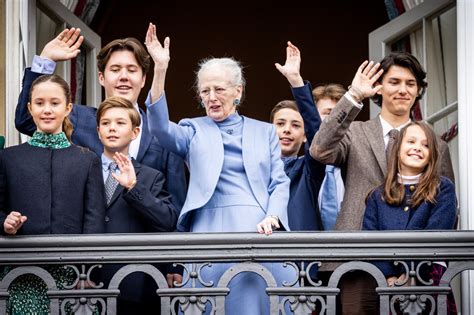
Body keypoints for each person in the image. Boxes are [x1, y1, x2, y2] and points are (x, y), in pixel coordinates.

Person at [144, 23, 292, 314]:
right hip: (208, 229)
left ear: (238, 91)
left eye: (219, 89)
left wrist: (273, 216)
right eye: (204, 91)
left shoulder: (265, 132)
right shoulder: (192, 129)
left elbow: (279, 182)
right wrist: (160, 68)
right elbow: (159, 129)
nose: (211, 97)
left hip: (259, 228)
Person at [310, 52, 455, 314]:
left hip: (415, 269)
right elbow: (319, 150)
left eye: (410, 83)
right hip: (357, 259)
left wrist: (426, 263)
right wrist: (353, 95)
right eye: (394, 82)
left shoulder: (436, 146)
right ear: (379, 87)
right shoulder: (355, 132)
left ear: (419, 90)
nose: (402, 89)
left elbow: (445, 208)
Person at [14, 26, 187, 211]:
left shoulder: (164, 136)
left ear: (143, 79)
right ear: (101, 78)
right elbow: (26, 120)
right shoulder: (78, 118)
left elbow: (175, 208)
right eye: (115, 69)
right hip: (85, 235)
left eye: (132, 70)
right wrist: (46, 60)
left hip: (141, 237)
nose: (124, 77)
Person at [0, 74, 105, 313]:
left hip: (73, 275)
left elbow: (94, 221)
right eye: (39, 103)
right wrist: (5, 223)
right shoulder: (8, 158)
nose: (47, 110)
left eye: (55, 103)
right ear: (29, 108)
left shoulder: (87, 159)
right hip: (20, 274)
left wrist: (86, 270)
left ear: (68, 108)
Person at [363, 121, 457, 314]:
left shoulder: (443, 188)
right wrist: (388, 276)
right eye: (411, 141)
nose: (417, 148)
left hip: (429, 279)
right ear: (397, 149)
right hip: (387, 286)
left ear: (432, 154)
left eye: (425, 145)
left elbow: (437, 234)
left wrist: (410, 274)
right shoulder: (377, 196)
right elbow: (370, 240)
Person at [95, 96, 178, 314]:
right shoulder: (84, 169)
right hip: (90, 281)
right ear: (98, 131)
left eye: (120, 123)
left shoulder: (151, 177)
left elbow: (167, 220)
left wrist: (133, 186)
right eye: (106, 123)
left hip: (135, 283)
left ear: (135, 133)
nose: (112, 128)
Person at [271, 41, 326, 232]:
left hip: (300, 257)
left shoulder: (308, 170)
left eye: (295, 125)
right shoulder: (256, 168)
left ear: (304, 136)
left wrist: (296, 81)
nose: (287, 130)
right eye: (280, 124)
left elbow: (318, 135)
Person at [312, 84, 346, 230]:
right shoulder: (304, 168)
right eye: (328, 113)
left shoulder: (357, 162)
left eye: (339, 114)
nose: (334, 120)